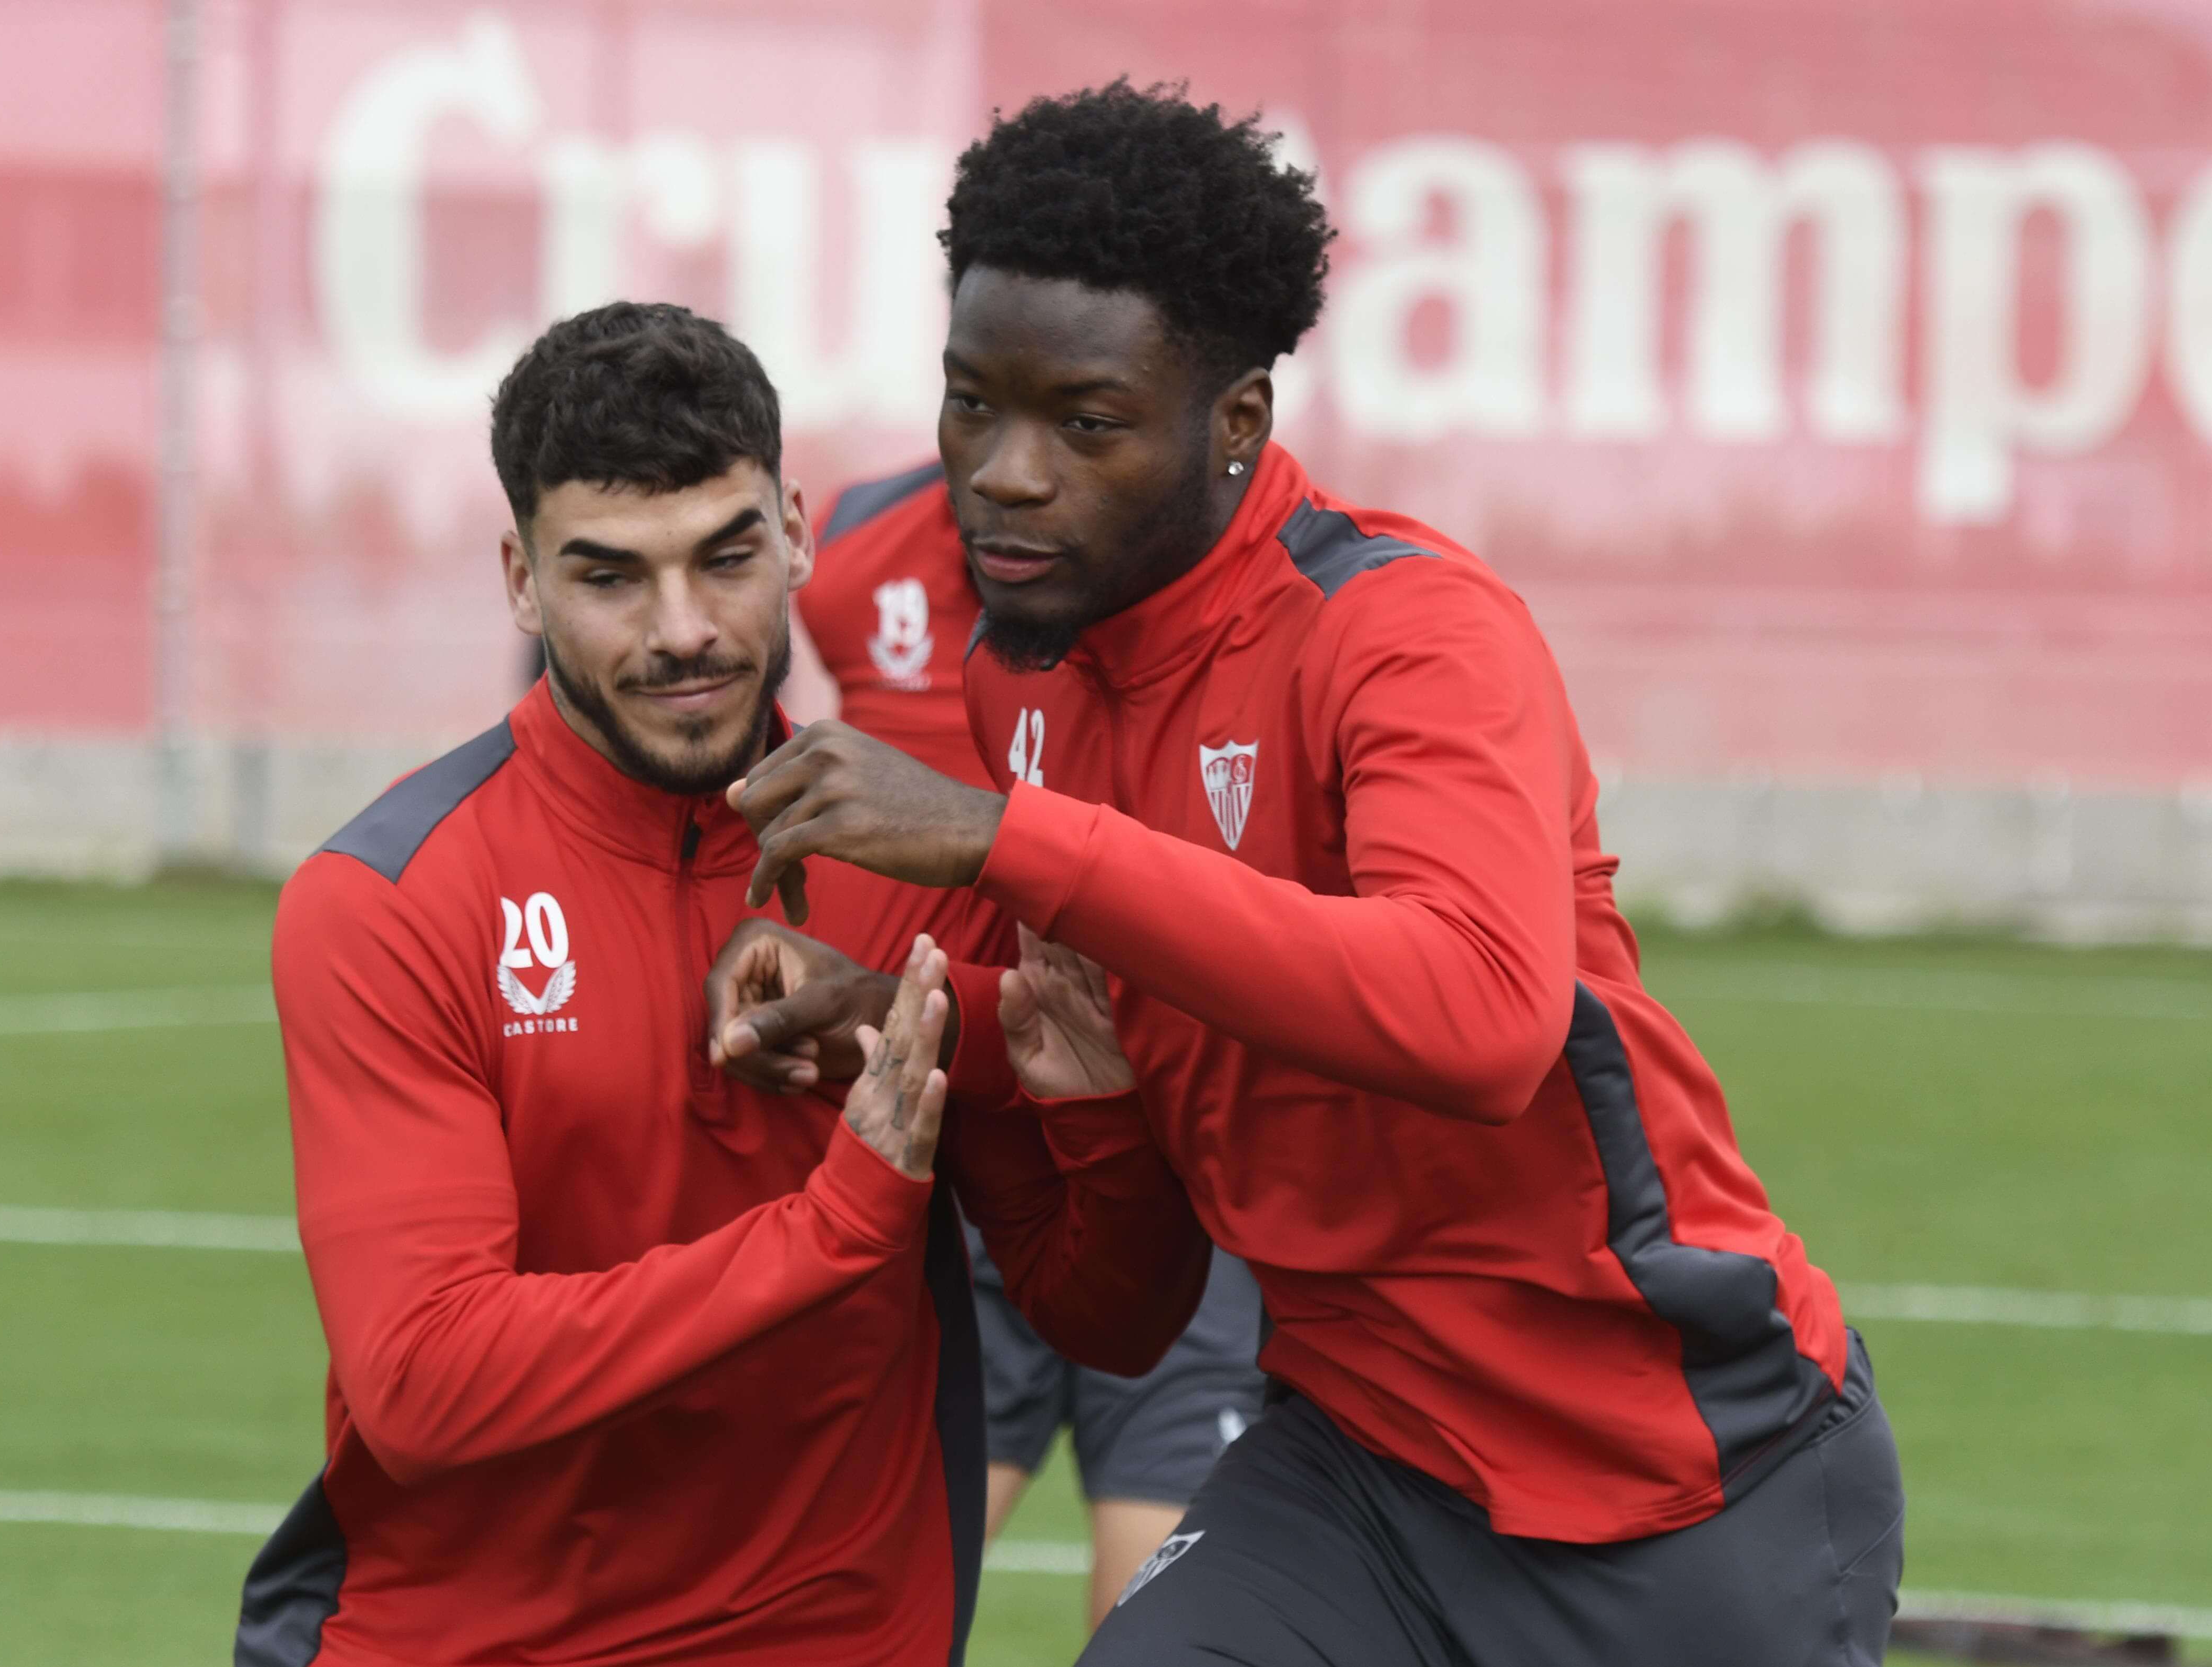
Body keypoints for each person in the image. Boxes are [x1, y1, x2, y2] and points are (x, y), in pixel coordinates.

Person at [708, 84, 1905, 1666]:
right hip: (1352, 1464)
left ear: (1237, 424)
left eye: (1085, 421)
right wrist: (921, 1033)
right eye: (970, 403)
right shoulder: (1028, 687)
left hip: (1677, 1474)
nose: (1001, 472)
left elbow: (1478, 1018)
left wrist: (1009, 842)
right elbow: (1134, 1222)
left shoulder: (1408, 634)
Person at [242, 300, 1210, 1667]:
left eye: (727, 555)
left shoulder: (925, 860)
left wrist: (1102, 1105)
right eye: (611, 576)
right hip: (467, 1638)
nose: (684, 629)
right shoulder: (390, 903)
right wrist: (837, 1225)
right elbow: (424, 1383)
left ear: (799, 531)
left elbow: (1108, 1317)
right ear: (520, 580)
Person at [794, 461, 1267, 1627]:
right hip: (964, 1178)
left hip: (1167, 1185)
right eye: (979, 392)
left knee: (1163, 1631)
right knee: (837, 1616)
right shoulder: (852, 555)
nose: (1015, 456)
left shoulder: (1207, 575)